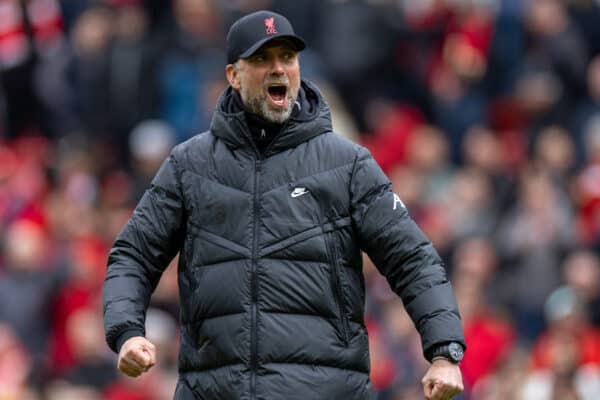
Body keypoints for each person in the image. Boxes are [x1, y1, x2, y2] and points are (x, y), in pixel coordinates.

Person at [103, 10, 466, 400]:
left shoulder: (348, 165)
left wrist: (444, 351)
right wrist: (126, 331)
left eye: (287, 58)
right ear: (233, 76)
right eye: (262, 59)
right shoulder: (188, 166)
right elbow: (133, 255)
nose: (278, 69)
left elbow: (412, 257)